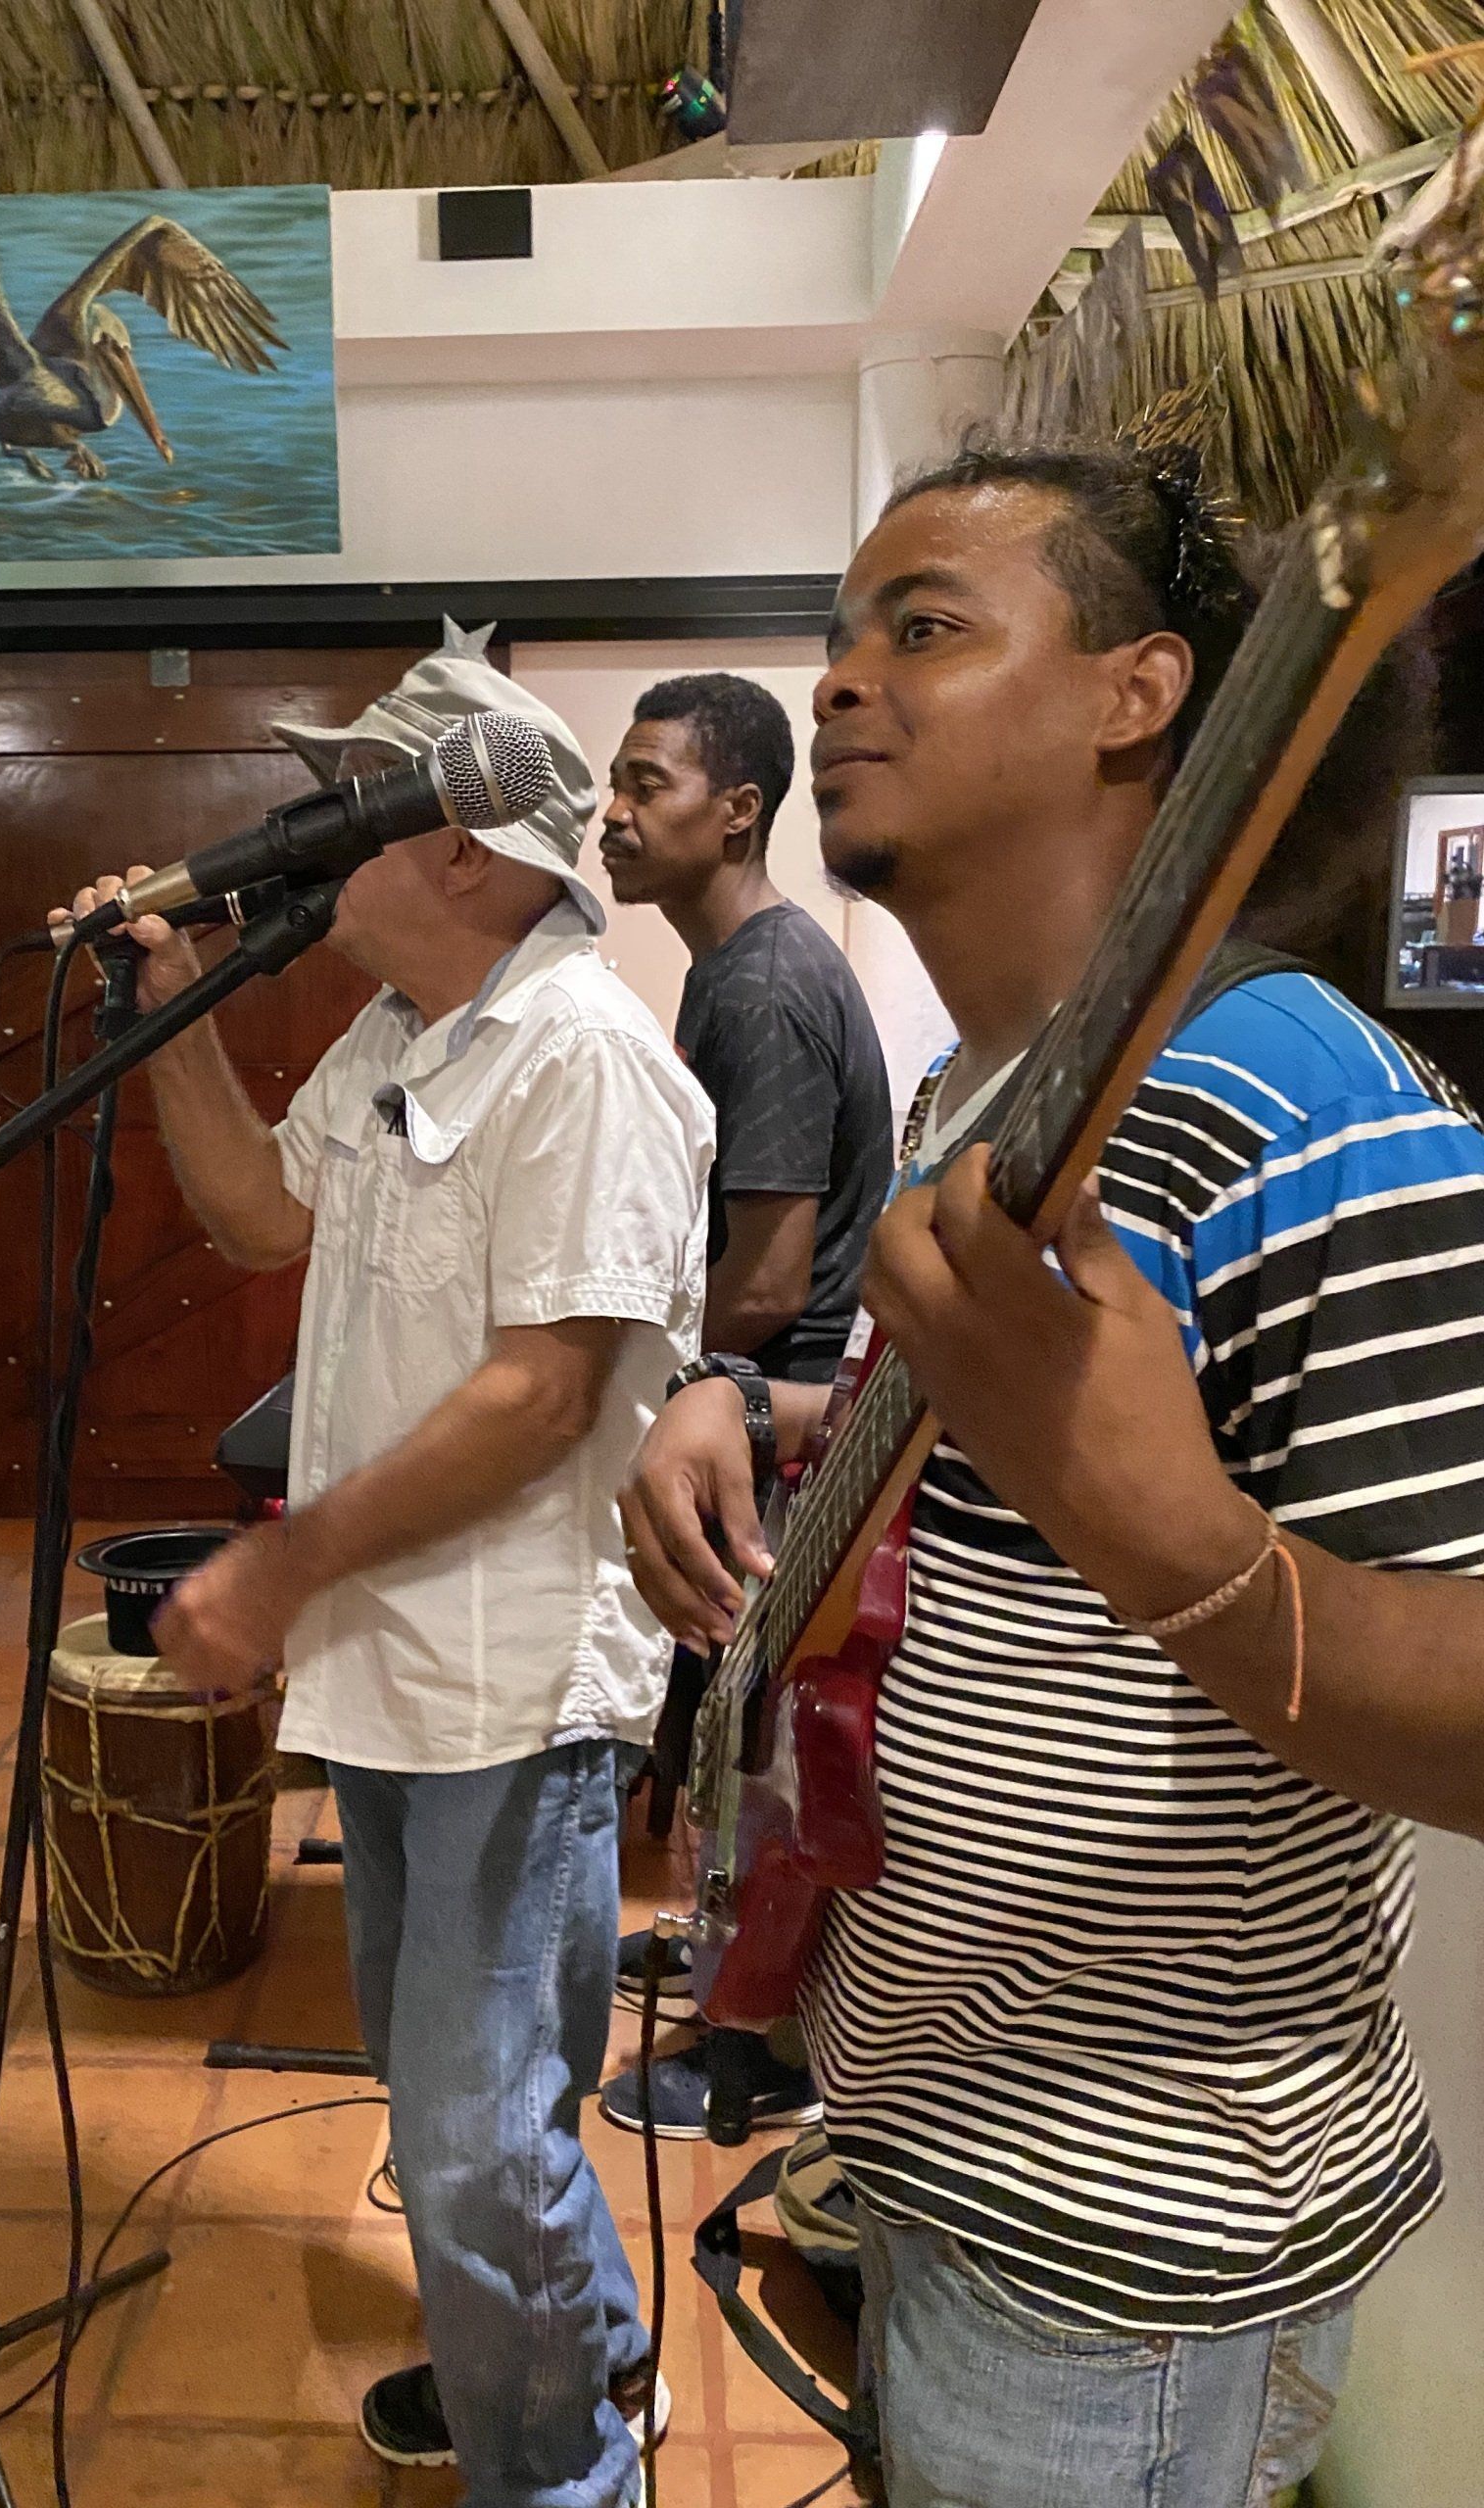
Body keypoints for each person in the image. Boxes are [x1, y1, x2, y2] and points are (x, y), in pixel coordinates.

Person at [620, 442, 1484, 2508]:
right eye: (838, 640)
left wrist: (1158, 1526)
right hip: (943, 2134)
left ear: (1142, 689)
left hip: (1142, 2234)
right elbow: (990, 1487)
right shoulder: (974, 1092)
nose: (837, 684)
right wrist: (756, 1413)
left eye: (925, 625)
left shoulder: (1306, 1104)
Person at [61, 632, 713, 2508]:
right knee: (470, 2128)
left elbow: (538, 1398)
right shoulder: (405, 1035)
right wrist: (170, 1004)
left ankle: (561, 2476)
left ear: (466, 851)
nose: (303, 839)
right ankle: (577, 2360)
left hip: (510, 1689)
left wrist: (273, 1577)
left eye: (348, 807)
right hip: (400, 1678)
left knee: (470, 2138)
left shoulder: (580, 1052)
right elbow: (262, 1208)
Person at [598, 672, 894, 2139]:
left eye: (645, 782)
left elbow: (769, 1276)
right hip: (756, 1408)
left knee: (746, 1748)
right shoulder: (740, 968)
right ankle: (726, 1979)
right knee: (721, 1737)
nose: (614, 810)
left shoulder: (767, 984)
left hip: (780, 1422)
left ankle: (756, 2055)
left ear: (738, 811)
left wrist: (607, 1352)